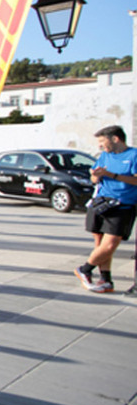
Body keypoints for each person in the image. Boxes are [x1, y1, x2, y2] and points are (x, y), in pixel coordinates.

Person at [74, 125, 137, 294]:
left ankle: (85, 269)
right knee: (99, 244)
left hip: (122, 205)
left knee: (109, 246)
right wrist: (95, 175)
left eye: (103, 141)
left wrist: (112, 175)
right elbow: (94, 179)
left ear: (115, 139)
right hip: (101, 203)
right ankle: (106, 280)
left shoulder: (134, 155)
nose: (100, 145)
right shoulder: (105, 156)